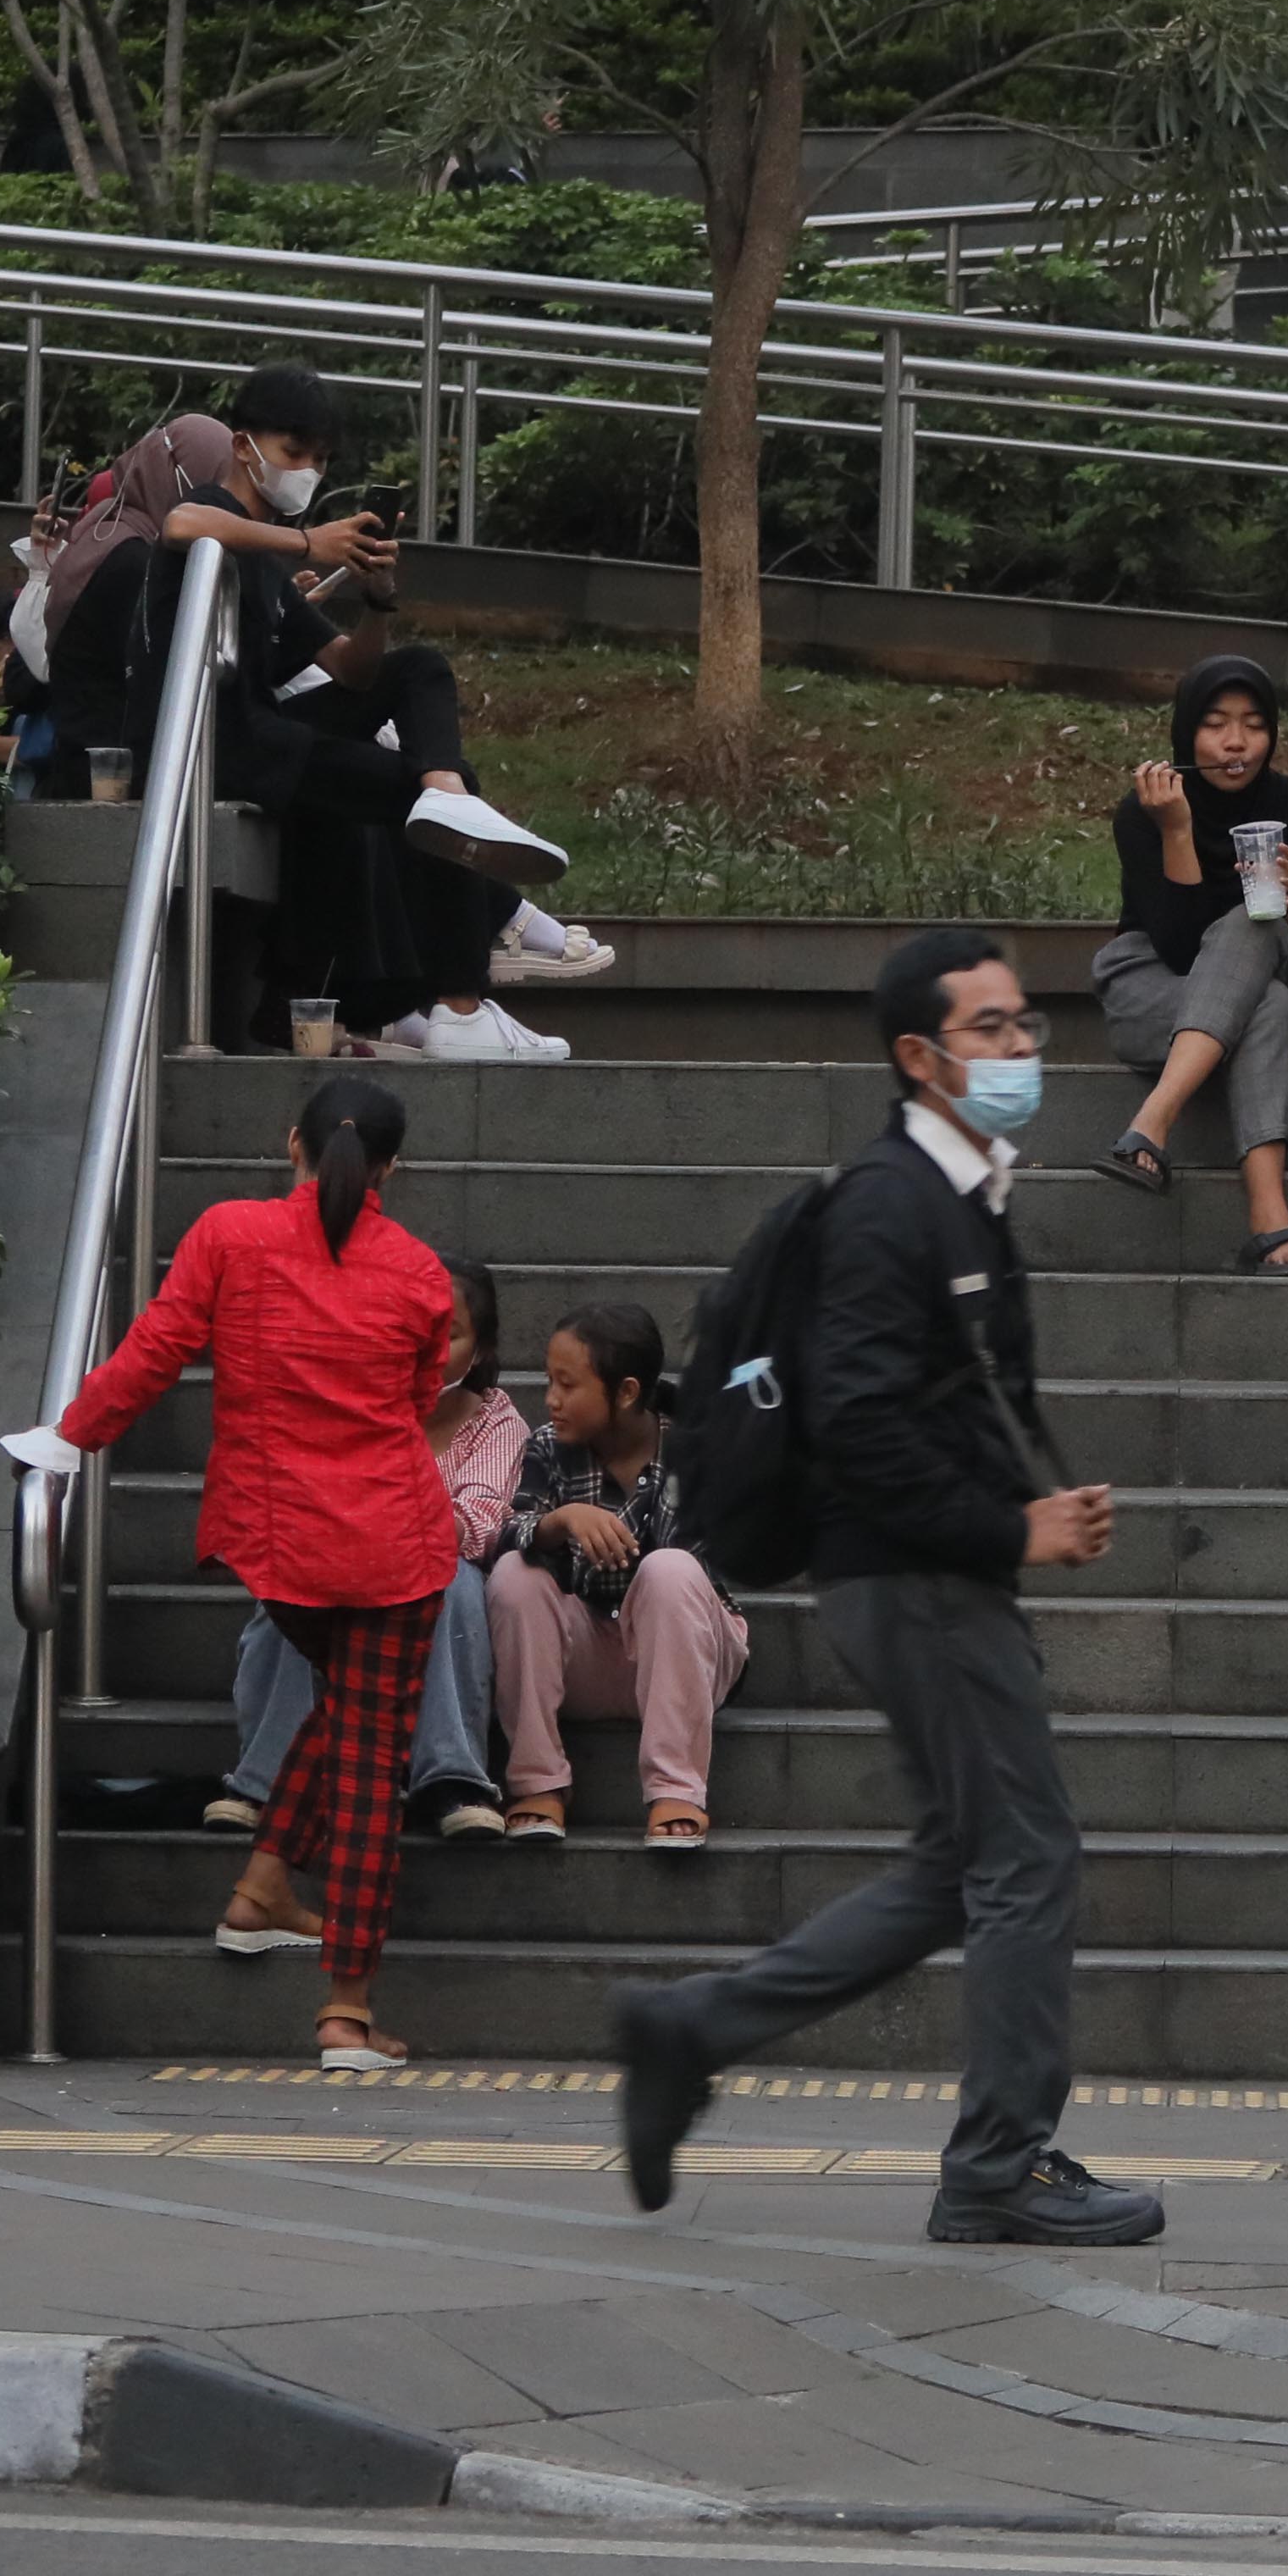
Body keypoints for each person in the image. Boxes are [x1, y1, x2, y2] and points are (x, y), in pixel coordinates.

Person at [611, 929, 1150, 2244]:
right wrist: (1006, 1531)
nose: (1023, 1049)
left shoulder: (956, 1192)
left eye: (1027, 1025)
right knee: (1028, 1856)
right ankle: (996, 2167)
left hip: (919, 1572)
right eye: (992, 1031)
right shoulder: (887, 1202)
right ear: (918, 1056)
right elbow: (856, 1420)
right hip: (911, 1578)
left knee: (950, 1864)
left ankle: (689, 2030)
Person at [44, 1077, 467, 2073]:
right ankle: (346, 2013)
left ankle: (263, 1889)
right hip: (393, 1541)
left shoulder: (228, 1235)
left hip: (278, 1536)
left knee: (355, 1714)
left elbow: (154, 1352)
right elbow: (414, 1402)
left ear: (293, 1144)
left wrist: (68, 1441)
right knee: (371, 1758)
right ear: (393, 1169)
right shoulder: (418, 1274)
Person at [28, 366, 573, 1061]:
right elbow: (181, 523)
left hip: (259, 734)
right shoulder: (214, 513)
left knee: (419, 672)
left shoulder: (265, 553)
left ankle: (448, 789)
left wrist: (377, 600)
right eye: (294, 452)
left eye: (320, 459)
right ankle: (460, 1005)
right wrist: (308, 542)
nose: (307, 471)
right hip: (207, 741)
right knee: (402, 804)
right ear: (243, 442)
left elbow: (349, 667)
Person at [207, 1256, 517, 1947]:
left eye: (451, 1335)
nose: (429, 1351)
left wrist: (384, 1490)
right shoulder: (349, 1399)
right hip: (343, 1579)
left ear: (482, 1349)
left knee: (454, 1577)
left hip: (427, 1581)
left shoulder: (495, 1421)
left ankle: (454, 1781)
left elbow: (474, 1529)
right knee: (297, 1581)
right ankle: (261, 1781)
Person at [1092, 655, 1288, 1272]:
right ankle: (1268, 1221)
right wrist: (1177, 830)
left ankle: (1150, 1124)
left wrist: (1287, 905)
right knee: (1267, 1003)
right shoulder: (1147, 809)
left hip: (1275, 968)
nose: (1235, 742)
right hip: (1152, 991)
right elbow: (1176, 949)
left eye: (1253, 724)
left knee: (1255, 925)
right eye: (1216, 724)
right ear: (1186, 734)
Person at [487, 1299, 750, 1850]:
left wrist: (607, 1541)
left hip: (685, 1656)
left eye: (568, 1385)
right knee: (515, 1573)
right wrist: (559, 1523)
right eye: (548, 1382)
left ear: (627, 1392)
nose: (552, 1400)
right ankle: (537, 1783)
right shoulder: (545, 1448)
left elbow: (688, 1568)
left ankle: (675, 1789)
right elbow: (501, 1537)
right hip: (587, 1654)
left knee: (670, 1570)